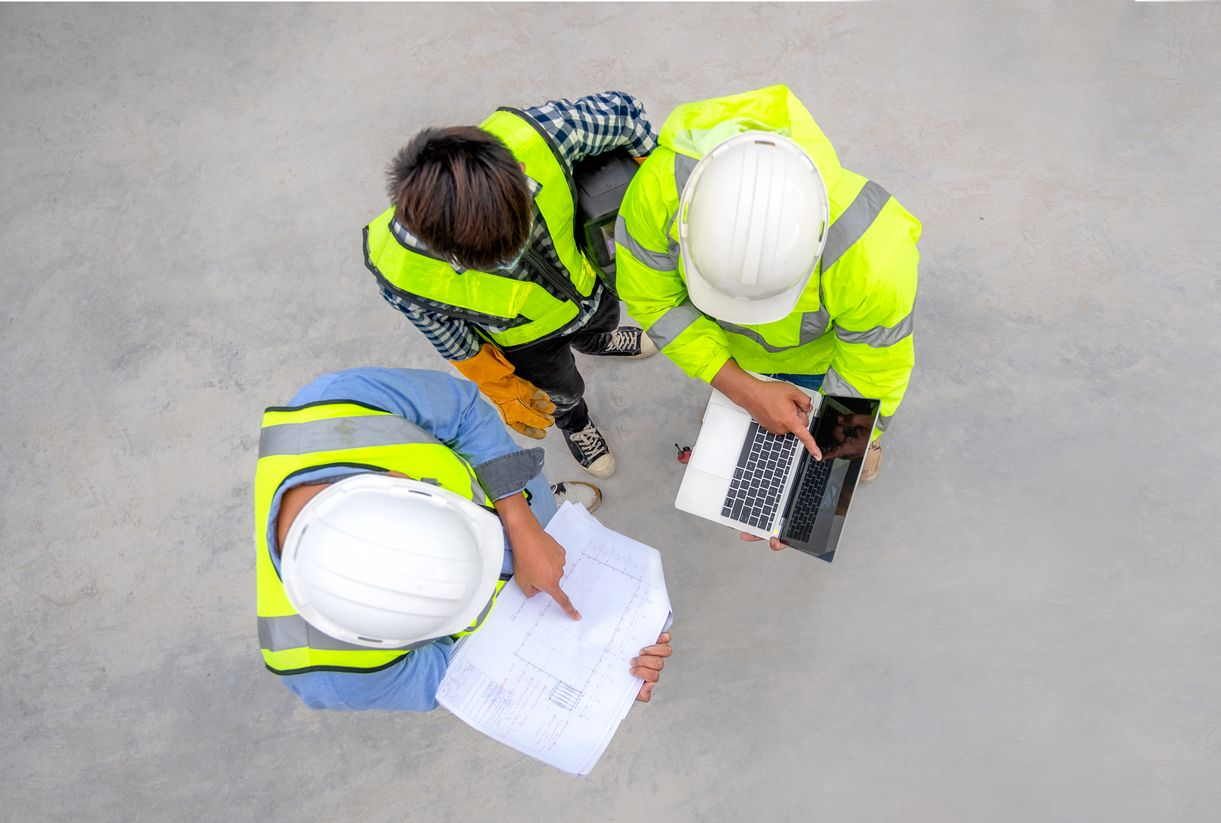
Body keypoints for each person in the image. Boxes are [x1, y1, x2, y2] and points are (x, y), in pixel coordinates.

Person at [253, 367, 672, 710]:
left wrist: (521, 517)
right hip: (522, 602)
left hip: (518, 507)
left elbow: (464, 414)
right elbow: (465, 680)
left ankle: (549, 508)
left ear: (396, 480)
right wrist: (602, 674)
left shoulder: (342, 404)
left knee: (537, 502)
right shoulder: (331, 677)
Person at [615, 85, 921, 537]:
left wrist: (817, 483)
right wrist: (740, 388)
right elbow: (653, 301)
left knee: (836, 447)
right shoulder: (662, 191)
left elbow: (871, 370)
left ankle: (859, 446)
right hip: (733, 360)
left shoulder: (870, 252)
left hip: (820, 366)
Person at [363, 92, 661, 479]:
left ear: (519, 171)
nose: (512, 259)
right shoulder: (401, 272)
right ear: (436, 243)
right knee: (562, 391)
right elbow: (453, 339)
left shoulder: (543, 136)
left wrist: (659, 193)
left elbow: (625, 114)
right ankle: (575, 424)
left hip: (590, 286)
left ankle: (598, 341)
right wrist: (503, 386)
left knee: (602, 320)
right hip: (528, 341)